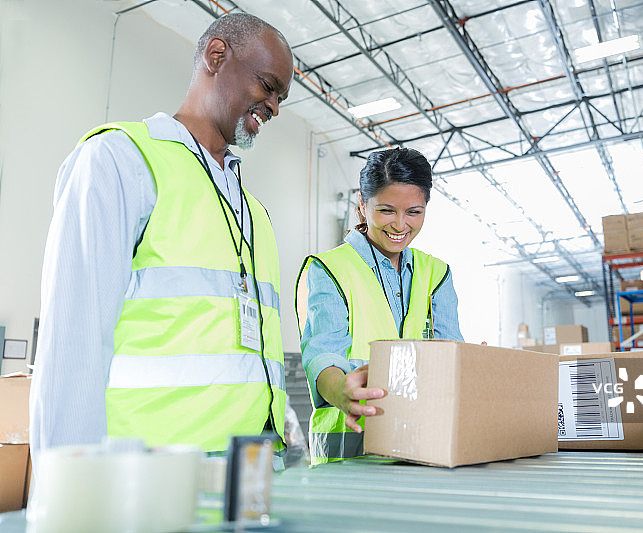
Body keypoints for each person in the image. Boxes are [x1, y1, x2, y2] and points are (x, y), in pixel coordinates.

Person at [29, 13, 294, 459]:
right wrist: (70, 494)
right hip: (145, 477)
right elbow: (74, 345)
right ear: (216, 56)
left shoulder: (254, 213)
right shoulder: (119, 161)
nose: (274, 106)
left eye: (281, 97)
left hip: (248, 473)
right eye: (268, 86)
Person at [295, 148, 464, 464]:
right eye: (387, 210)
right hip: (347, 450)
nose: (400, 225)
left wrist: (467, 365)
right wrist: (342, 392)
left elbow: (449, 358)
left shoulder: (437, 273)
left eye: (414, 212)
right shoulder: (329, 267)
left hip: (423, 444)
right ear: (362, 203)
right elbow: (322, 354)